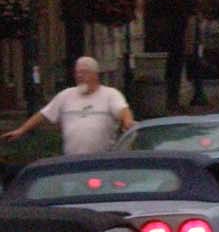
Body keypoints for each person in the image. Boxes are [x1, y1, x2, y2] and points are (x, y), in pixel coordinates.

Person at [2, 56, 134, 157]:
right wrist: (21, 130)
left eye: (84, 72)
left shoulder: (110, 94)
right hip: (71, 161)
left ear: (95, 75)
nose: (80, 76)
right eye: (77, 73)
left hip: (102, 159)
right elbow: (43, 114)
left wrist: (128, 121)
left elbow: (123, 110)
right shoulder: (66, 95)